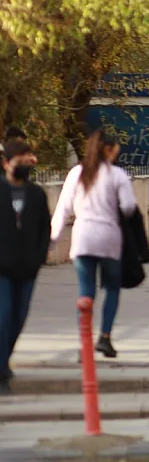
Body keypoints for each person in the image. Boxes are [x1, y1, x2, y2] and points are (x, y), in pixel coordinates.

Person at [51, 130, 138, 359]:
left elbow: (63, 209)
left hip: (82, 238)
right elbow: (129, 207)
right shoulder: (117, 175)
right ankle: (105, 337)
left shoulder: (76, 173)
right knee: (111, 288)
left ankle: (85, 342)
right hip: (109, 238)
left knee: (86, 291)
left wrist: (52, 239)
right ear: (107, 150)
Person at [0, 140, 49, 392]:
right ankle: (1, 372)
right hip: (2, 269)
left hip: (28, 268)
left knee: (19, 317)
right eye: (19, 158)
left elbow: (44, 229)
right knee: (4, 315)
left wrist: (39, 257)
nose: (25, 162)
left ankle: (4, 360)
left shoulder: (36, 194)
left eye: (27, 156)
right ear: (6, 163)